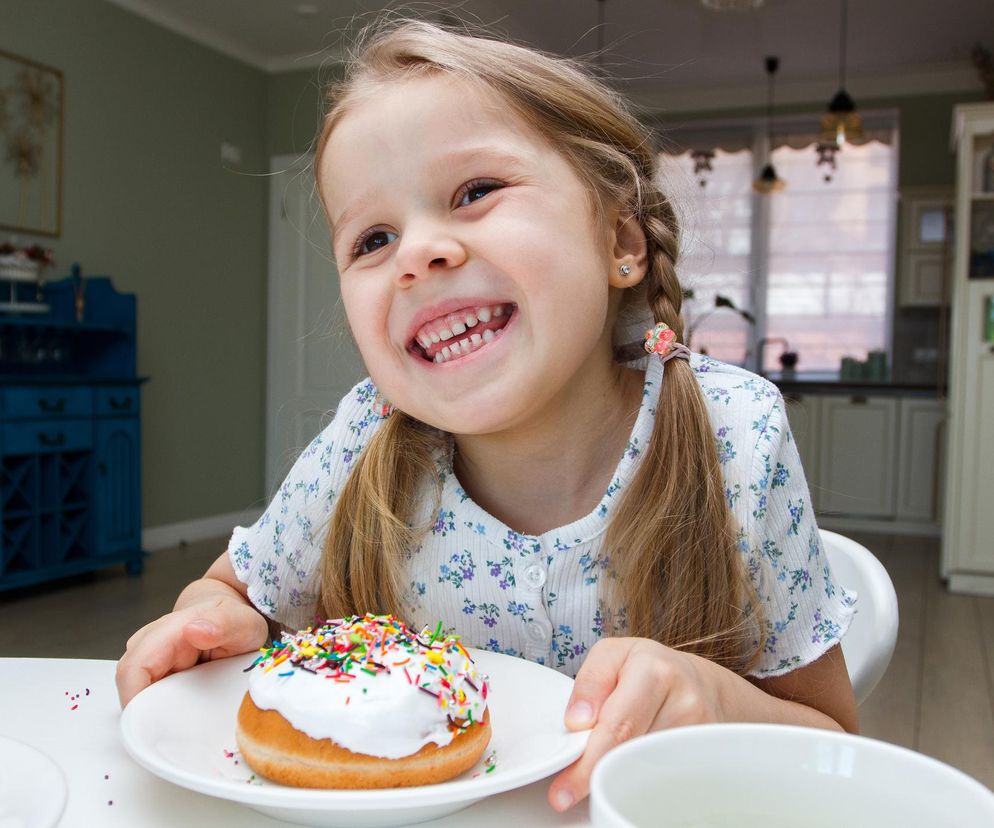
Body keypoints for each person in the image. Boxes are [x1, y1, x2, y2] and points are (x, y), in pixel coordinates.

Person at [117, 19, 859, 811]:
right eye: (372, 239)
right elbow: (230, 593)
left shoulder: (733, 435)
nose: (416, 253)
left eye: (475, 192)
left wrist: (715, 701)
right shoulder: (364, 437)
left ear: (621, 241)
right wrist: (208, 621)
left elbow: (833, 741)